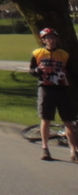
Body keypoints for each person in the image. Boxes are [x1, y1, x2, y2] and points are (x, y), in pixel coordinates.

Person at [29, 28, 78, 162]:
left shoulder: (64, 54)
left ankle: (74, 150)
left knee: (68, 121)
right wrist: (37, 70)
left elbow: (71, 72)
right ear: (43, 40)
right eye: (47, 38)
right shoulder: (38, 53)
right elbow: (31, 70)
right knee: (46, 119)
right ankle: (45, 148)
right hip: (46, 89)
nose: (51, 40)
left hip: (62, 89)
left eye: (53, 38)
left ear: (56, 39)